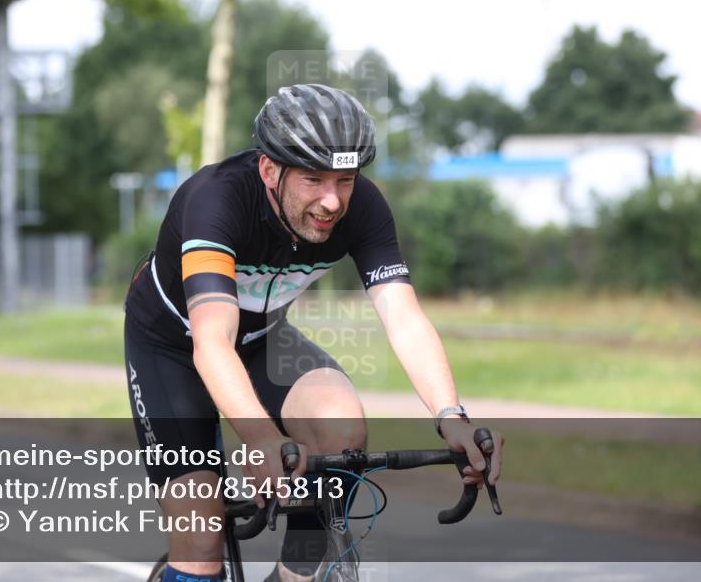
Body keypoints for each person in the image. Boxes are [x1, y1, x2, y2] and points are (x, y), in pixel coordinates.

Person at [123, 83, 503, 582]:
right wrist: (260, 438)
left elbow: (403, 317)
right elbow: (212, 342)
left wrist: (451, 416)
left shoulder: (363, 206)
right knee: (199, 537)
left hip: (261, 339)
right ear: (269, 170)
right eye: (313, 180)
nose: (331, 201)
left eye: (345, 179)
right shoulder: (214, 201)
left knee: (340, 435)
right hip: (173, 347)